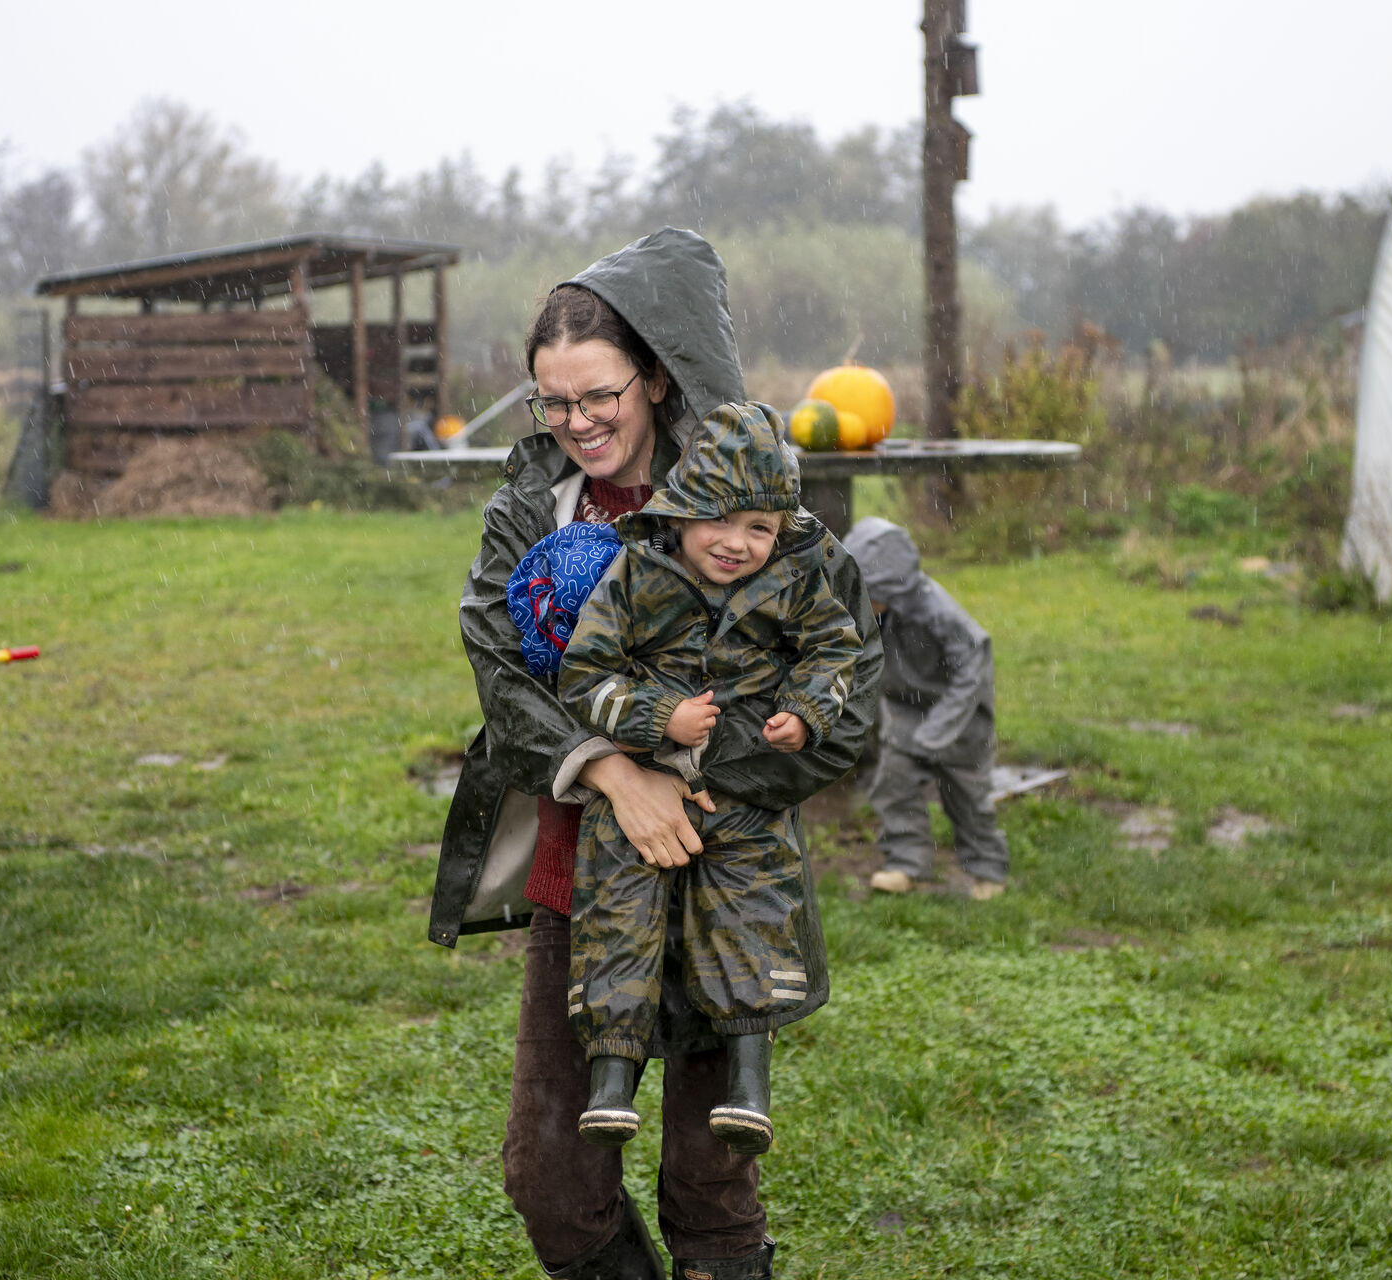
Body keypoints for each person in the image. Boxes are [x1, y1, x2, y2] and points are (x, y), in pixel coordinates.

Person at [427, 229, 882, 1280]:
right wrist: (613, 769)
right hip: (578, 878)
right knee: (552, 1176)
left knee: (709, 1183)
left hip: (721, 873)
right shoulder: (530, 509)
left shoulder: (749, 504)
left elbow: (848, 698)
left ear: (657, 378)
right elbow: (501, 675)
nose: (578, 423)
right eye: (554, 401)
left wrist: (706, 770)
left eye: (600, 395)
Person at [518, 402, 862, 1157]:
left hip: (743, 799)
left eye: (761, 529)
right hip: (642, 784)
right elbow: (586, 674)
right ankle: (612, 1080)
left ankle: (749, 1086)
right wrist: (655, 718)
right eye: (718, 520)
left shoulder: (797, 583)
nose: (739, 544)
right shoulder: (636, 571)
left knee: (753, 916)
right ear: (679, 513)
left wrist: (804, 712)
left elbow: (838, 654)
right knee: (618, 916)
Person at [840, 517, 1010, 899]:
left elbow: (972, 669)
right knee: (893, 786)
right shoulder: (872, 614)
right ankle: (906, 863)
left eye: (870, 593)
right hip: (905, 709)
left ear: (893, 587)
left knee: (967, 798)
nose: (864, 602)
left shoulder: (938, 612)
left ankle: (988, 871)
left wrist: (938, 732)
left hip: (960, 716)